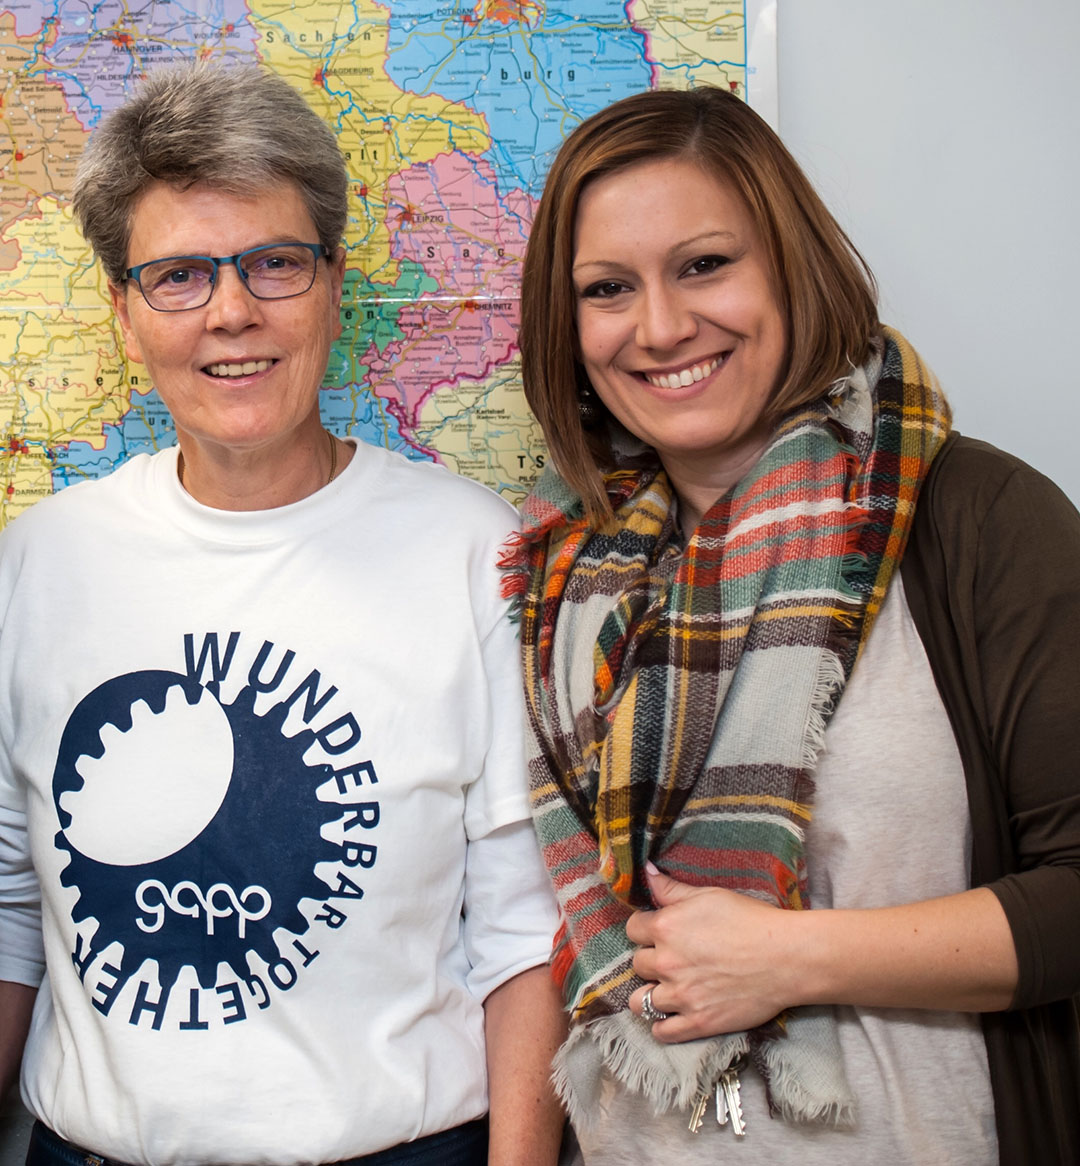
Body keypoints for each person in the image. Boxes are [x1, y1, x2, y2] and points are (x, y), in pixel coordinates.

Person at [0, 63, 566, 1166]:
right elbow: (13, 901)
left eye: (273, 263)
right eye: (177, 275)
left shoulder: (473, 550)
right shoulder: (38, 561)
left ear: (334, 283)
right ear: (122, 311)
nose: (231, 311)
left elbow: (522, 935)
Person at [504, 85, 1080, 1165]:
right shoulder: (556, 577)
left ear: (790, 261)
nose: (662, 325)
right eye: (608, 288)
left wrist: (797, 957)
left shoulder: (979, 522)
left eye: (705, 264)